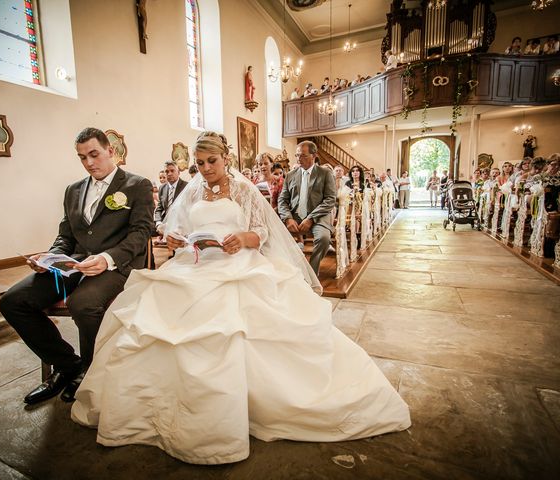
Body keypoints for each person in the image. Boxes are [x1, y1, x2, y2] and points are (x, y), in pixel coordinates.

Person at [70, 131, 411, 464]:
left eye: (212, 161)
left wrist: (243, 239)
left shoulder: (245, 189)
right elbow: (177, 228)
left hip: (238, 264)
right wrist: (175, 240)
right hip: (195, 263)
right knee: (153, 316)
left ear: (226, 159)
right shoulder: (192, 192)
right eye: (200, 163)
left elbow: (262, 230)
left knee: (234, 326)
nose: (205, 169)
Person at [0, 127, 154, 405]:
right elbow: (65, 236)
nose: (89, 162)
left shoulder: (137, 185)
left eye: (94, 154)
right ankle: (67, 364)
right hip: (74, 264)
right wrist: (50, 259)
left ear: (111, 151)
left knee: (83, 303)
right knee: (13, 301)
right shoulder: (73, 190)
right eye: (82, 157)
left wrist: (107, 259)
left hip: (116, 266)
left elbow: (141, 233)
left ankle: (92, 371)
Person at [278, 140, 337, 275]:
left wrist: (311, 218)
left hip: (318, 217)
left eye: (303, 155)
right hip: (295, 217)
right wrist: (287, 218)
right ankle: (288, 271)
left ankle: (311, 271)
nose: (299, 159)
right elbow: (282, 200)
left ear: (314, 155)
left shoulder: (325, 173)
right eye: (297, 155)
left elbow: (330, 200)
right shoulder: (291, 175)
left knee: (323, 239)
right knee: (274, 236)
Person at [153, 160, 188, 235]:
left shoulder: (186, 187)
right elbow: (159, 208)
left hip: (181, 225)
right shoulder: (162, 188)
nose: (169, 174)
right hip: (165, 224)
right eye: (167, 171)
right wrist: (158, 223)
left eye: (172, 171)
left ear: (178, 172)